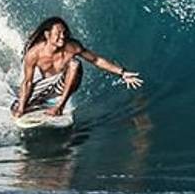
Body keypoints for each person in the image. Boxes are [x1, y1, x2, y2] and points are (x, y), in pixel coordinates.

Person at [12, 16, 143, 118]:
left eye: (64, 32)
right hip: (47, 85)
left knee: (75, 63)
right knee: (17, 106)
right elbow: (27, 82)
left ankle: (60, 106)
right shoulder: (34, 54)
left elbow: (96, 59)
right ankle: (37, 103)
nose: (62, 36)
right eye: (58, 33)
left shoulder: (72, 47)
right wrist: (22, 108)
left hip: (64, 84)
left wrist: (122, 72)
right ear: (47, 35)